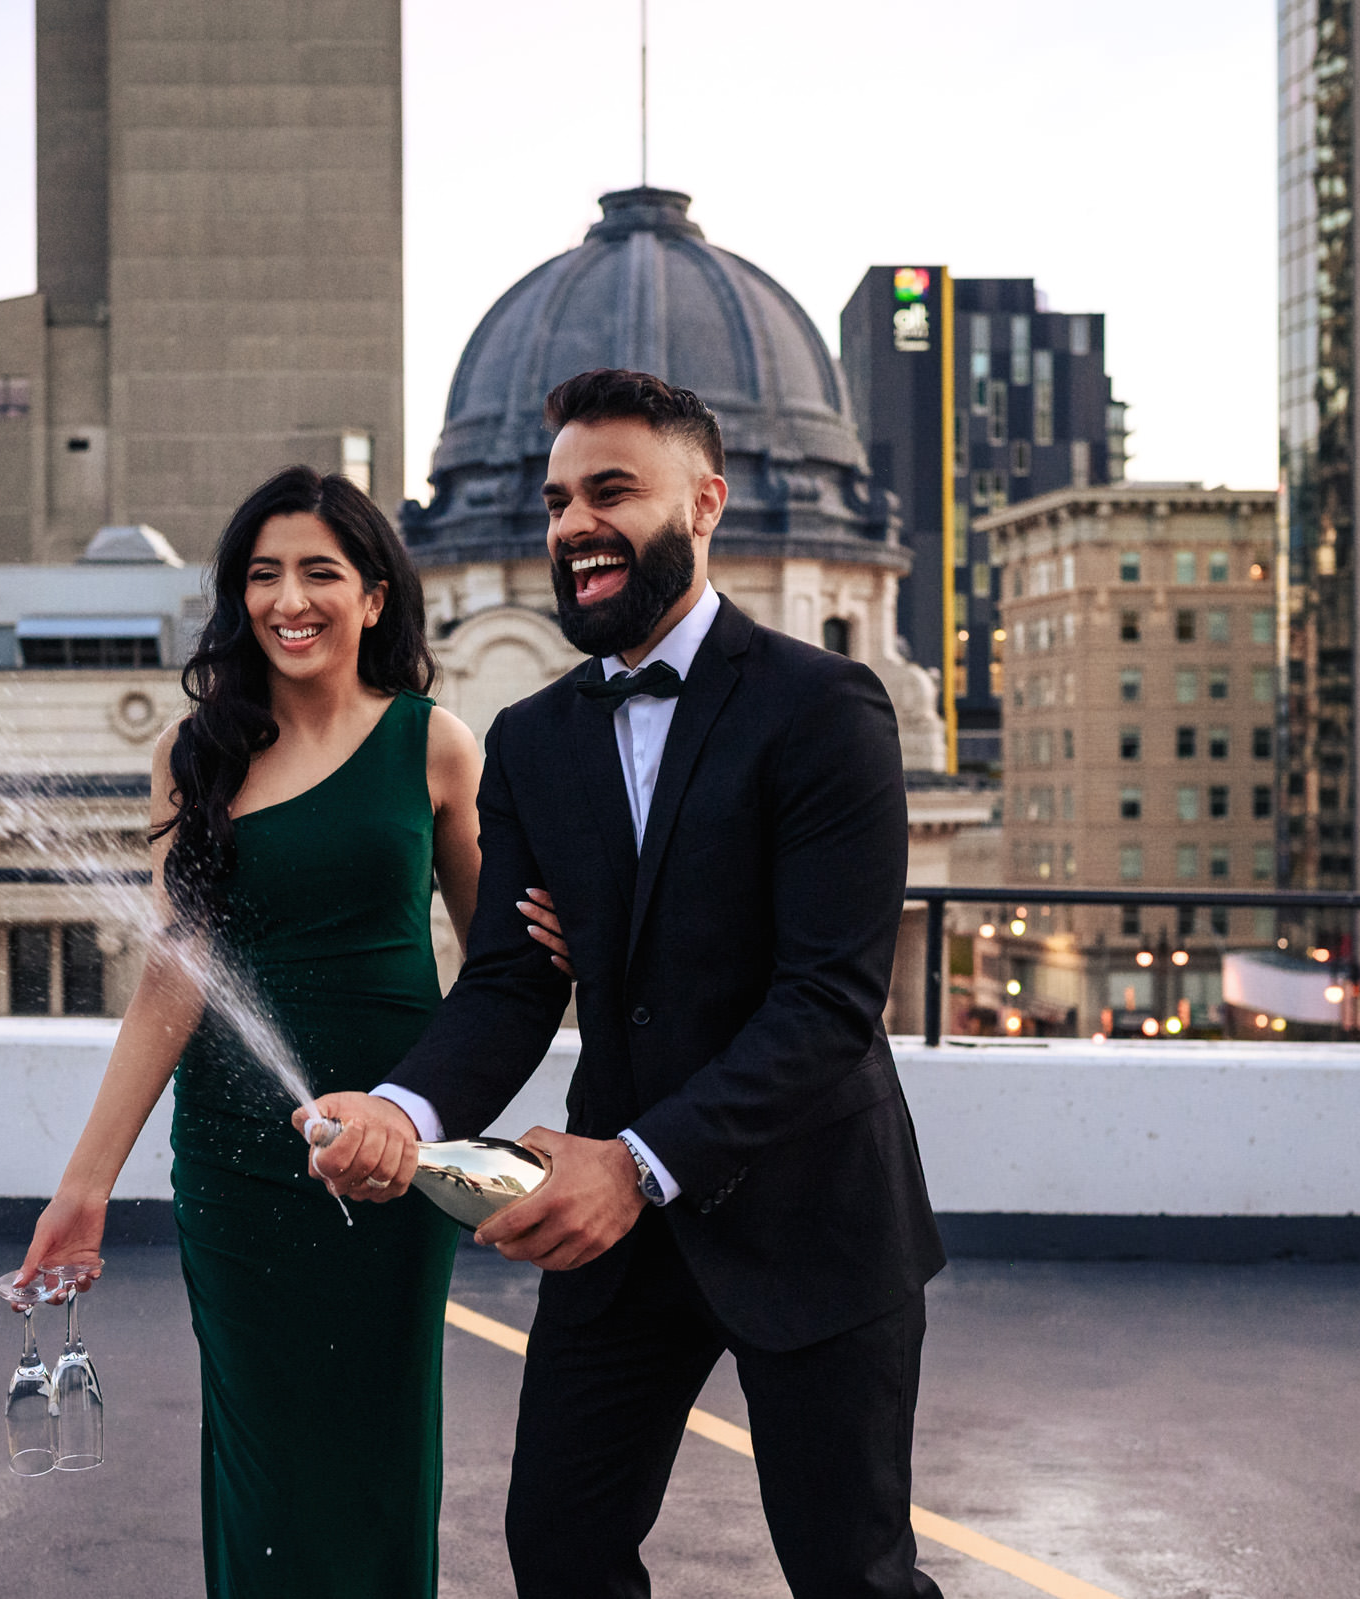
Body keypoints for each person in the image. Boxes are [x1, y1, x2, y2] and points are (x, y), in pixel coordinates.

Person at [307, 369, 949, 1599]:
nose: (573, 526)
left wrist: (636, 1160)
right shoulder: (535, 741)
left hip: (811, 1209)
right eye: (557, 501)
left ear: (705, 506)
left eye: (612, 491)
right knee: (560, 1549)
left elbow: (826, 1001)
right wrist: (404, 1109)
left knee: (852, 1575)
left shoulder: (825, 707)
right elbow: (505, 985)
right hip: (625, 1234)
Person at [16, 465, 567, 1598]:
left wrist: (570, 938)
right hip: (235, 1163)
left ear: (374, 596)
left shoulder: (437, 745)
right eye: (262, 575)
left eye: (320, 571)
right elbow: (175, 981)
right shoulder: (197, 755)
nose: (288, 599)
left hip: (391, 1163)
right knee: (265, 1466)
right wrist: (86, 1185)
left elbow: (501, 973)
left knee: (375, 1453)